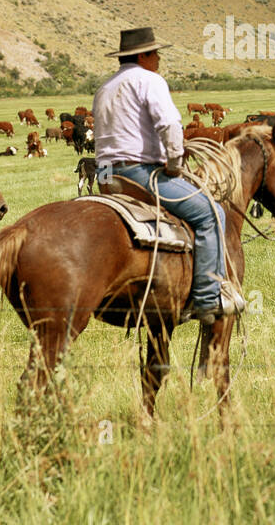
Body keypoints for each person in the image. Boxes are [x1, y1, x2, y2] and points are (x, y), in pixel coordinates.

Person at [92, 27, 244, 324]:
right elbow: (170, 124)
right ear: (144, 55)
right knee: (212, 214)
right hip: (137, 173)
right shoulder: (150, 81)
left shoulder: (105, 88)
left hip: (106, 176)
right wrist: (174, 162)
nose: (159, 58)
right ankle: (207, 297)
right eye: (156, 53)